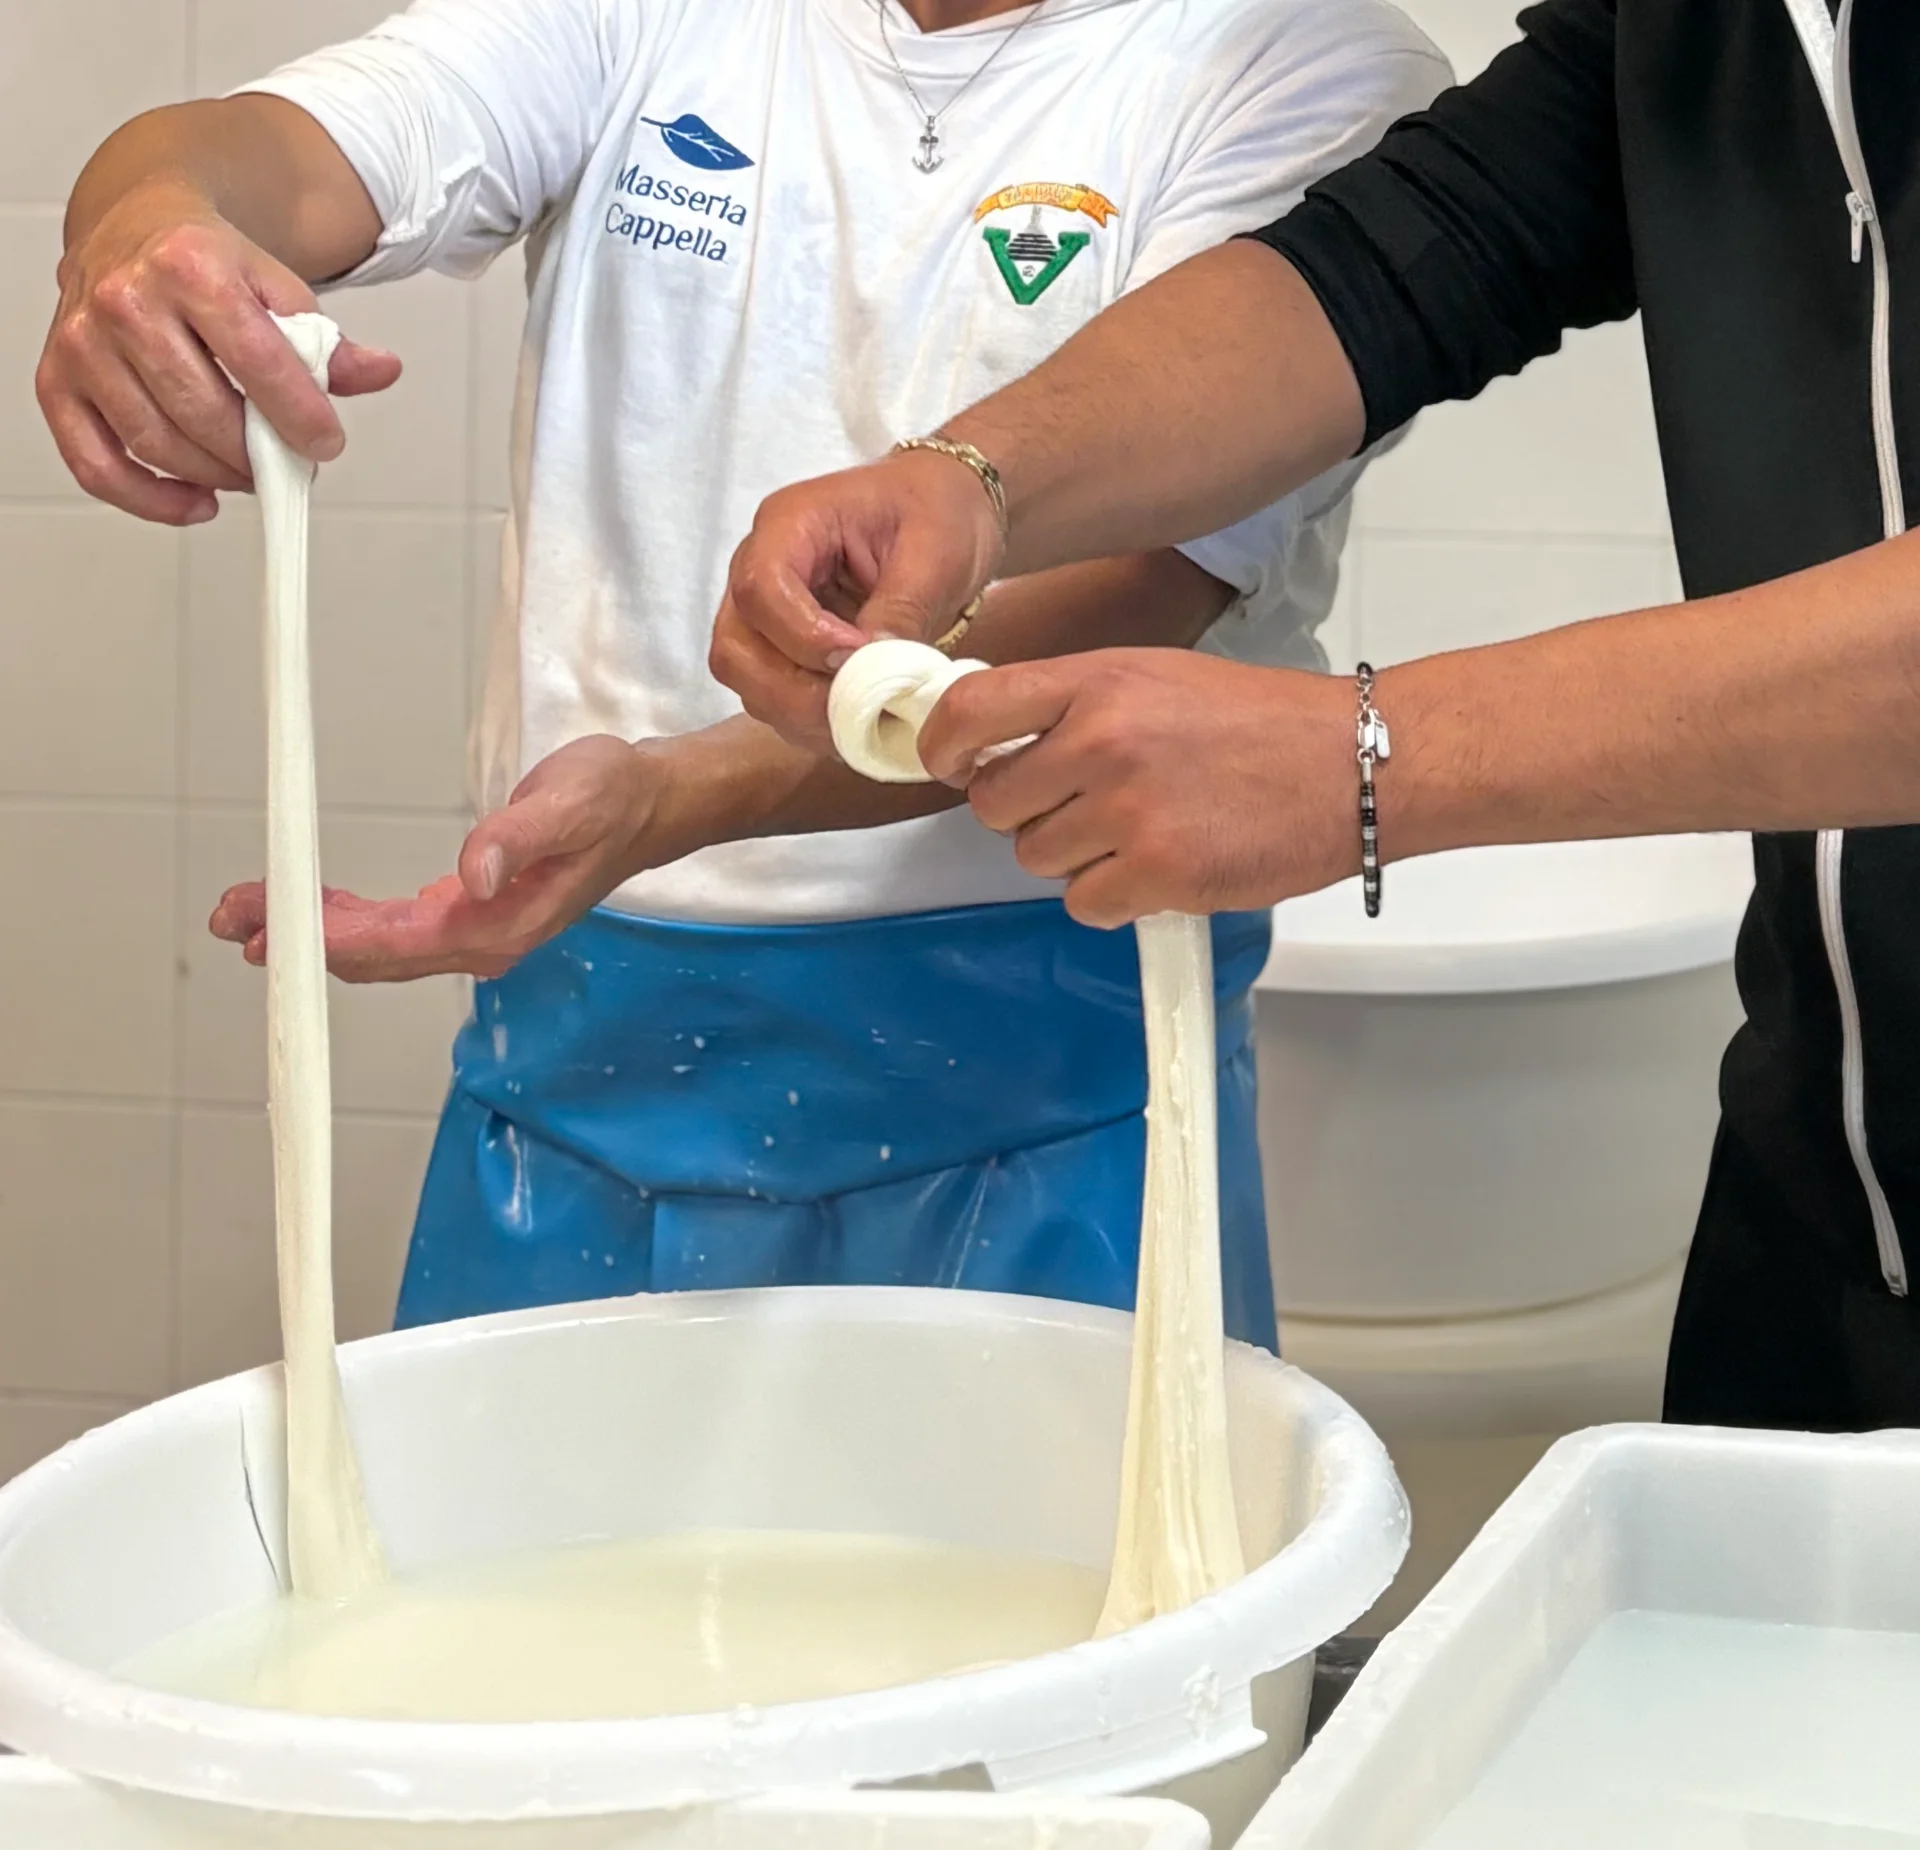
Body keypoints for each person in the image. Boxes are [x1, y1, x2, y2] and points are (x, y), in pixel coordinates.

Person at [41, 0, 1449, 1348]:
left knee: (1063, 1527)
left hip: (1059, 1102)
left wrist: (678, 795)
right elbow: (272, 156)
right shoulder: (653, 18)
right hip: (577, 1055)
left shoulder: (1299, 66)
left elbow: (1136, 591)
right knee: (510, 1526)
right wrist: (147, 225)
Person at [710, 0, 1920, 1429]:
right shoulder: (1698, 28)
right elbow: (1409, 252)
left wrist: (1365, 757)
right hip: (1824, 1205)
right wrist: (975, 480)